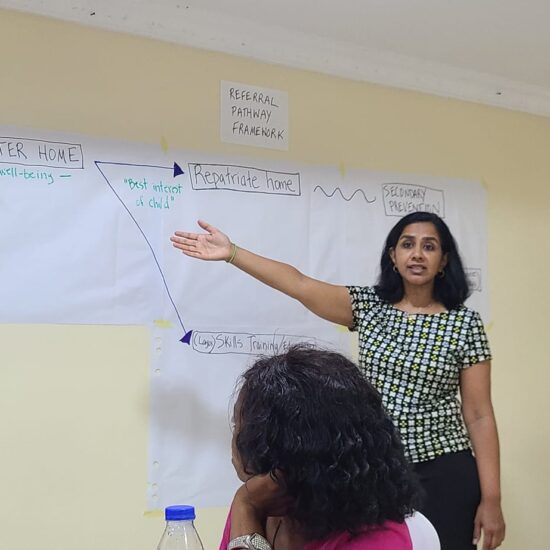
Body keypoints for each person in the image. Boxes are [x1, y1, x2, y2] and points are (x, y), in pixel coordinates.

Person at [171, 211, 505, 550]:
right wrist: (232, 253)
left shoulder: (465, 324)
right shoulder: (370, 307)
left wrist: (492, 499)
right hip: (379, 469)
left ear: (444, 259)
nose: (417, 254)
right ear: (393, 255)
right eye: (408, 245)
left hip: (444, 467)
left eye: (429, 246)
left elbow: (479, 415)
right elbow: (299, 284)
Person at [221, 345, 439, 550]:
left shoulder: (379, 538)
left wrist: (245, 508)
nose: (235, 438)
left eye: (241, 427)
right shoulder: (261, 501)